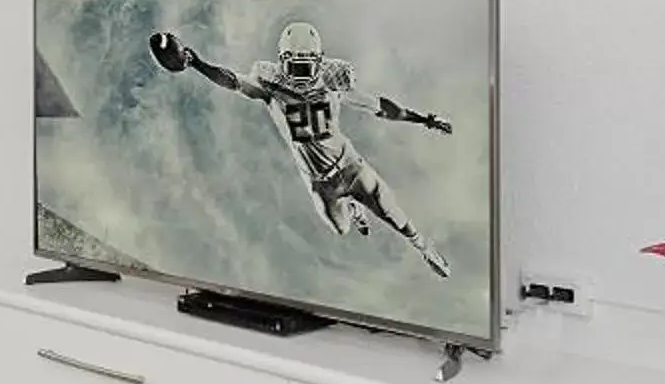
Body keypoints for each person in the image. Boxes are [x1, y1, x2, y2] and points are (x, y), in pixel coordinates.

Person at [149, 21, 456, 277]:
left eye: (305, 66)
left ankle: (426, 250)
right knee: (341, 229)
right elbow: (232, 81)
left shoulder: (332, 83)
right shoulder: (270, 87)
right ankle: (353, 208)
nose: (299, 75)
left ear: (319, 62)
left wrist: (424, 119)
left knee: (395, 217)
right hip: (321, 184)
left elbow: (381, 107)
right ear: (282, 62)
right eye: (293, 66)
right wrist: (197, 63)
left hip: (350, 165)